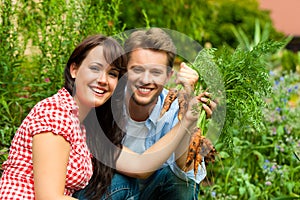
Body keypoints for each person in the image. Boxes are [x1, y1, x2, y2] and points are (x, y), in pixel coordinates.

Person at [74, 28, 216, 200]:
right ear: (125, 71)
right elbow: (139, 168)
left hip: (155, 192)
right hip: (112, 193)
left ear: (168, 76)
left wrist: (189, 118)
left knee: (181, 183)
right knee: (113, 180)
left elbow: (185, 171)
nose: (146, 80)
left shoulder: (175, 110)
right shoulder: (104, 104)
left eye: (156, 72)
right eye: (137, 69)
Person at [0, 34, 127, 199]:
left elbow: (140, 166)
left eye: (112, 73)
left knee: (123, 183)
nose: (103, 80)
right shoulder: (55, 113)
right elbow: (49, 197)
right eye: (95, 68)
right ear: (74, 70)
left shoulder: (81, 123)